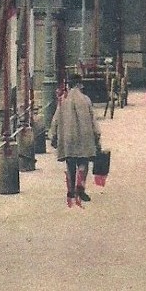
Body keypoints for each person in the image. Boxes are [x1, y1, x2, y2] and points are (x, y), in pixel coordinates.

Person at [49, 73, 101, 207]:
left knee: (70, 163)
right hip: (84, 137)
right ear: (79, 85)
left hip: (67, 138)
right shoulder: (86, 100)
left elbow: (55, 120)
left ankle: (70, 191)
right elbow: (93, 121)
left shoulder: (62, 100)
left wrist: (53, 135)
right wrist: (97, 136)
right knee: (83, 162)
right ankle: (81, 188)